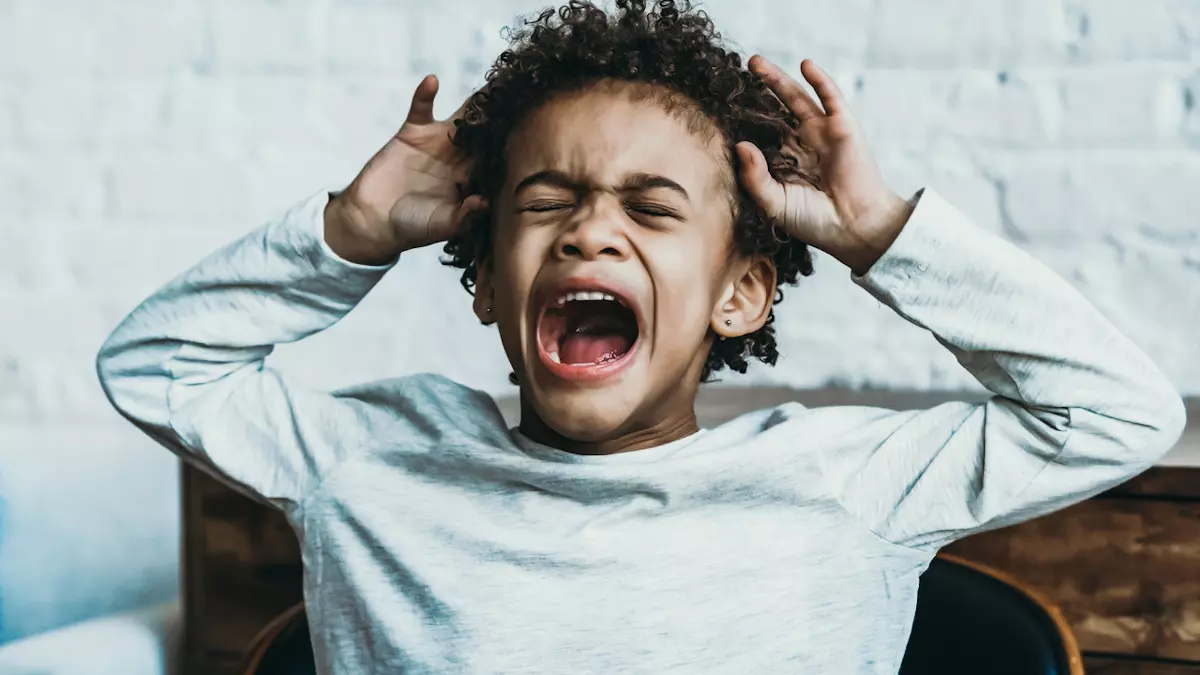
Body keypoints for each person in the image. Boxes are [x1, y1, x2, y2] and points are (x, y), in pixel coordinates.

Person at [96, 1, 1185, 673]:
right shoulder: (367, 462)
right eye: (548, 201)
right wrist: (352, 231)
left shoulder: (847, 482)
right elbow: (152, 366)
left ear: (741, 295)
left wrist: (884, 237)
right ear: (485, 283)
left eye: (652, 209)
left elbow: (1117, 414)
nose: (590, 231)